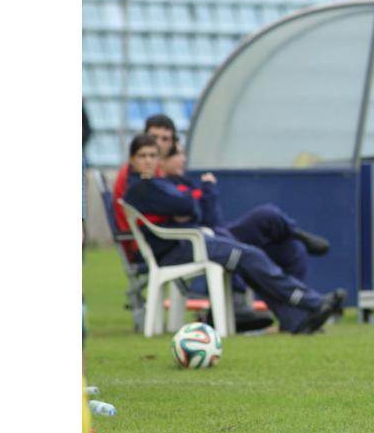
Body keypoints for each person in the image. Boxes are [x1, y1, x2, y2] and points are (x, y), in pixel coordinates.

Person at [122, 134, 343, 334]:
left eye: (153, 155)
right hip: (177, 250)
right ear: (132, 160)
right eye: (143, 156)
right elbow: (187, 206)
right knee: (250, 255)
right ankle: (312, 302)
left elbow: (191, 209)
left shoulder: (157, 185)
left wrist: (186, 207)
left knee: (253, 254)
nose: (149, 160)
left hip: (189, 243)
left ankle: (296, 318)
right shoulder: (141, 187)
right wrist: (187, 205)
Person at [162, 143, 330, 283]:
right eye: (177, 154)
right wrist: (209, 190)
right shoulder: (161, 188)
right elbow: (210, 221)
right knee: (263, 218)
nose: (183, 160)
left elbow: (212, 220)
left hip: (218, 235)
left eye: (183, 154)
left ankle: (301, 313)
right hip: (205, 241)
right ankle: (293, 233)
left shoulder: (185, 184)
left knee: (294, 249)